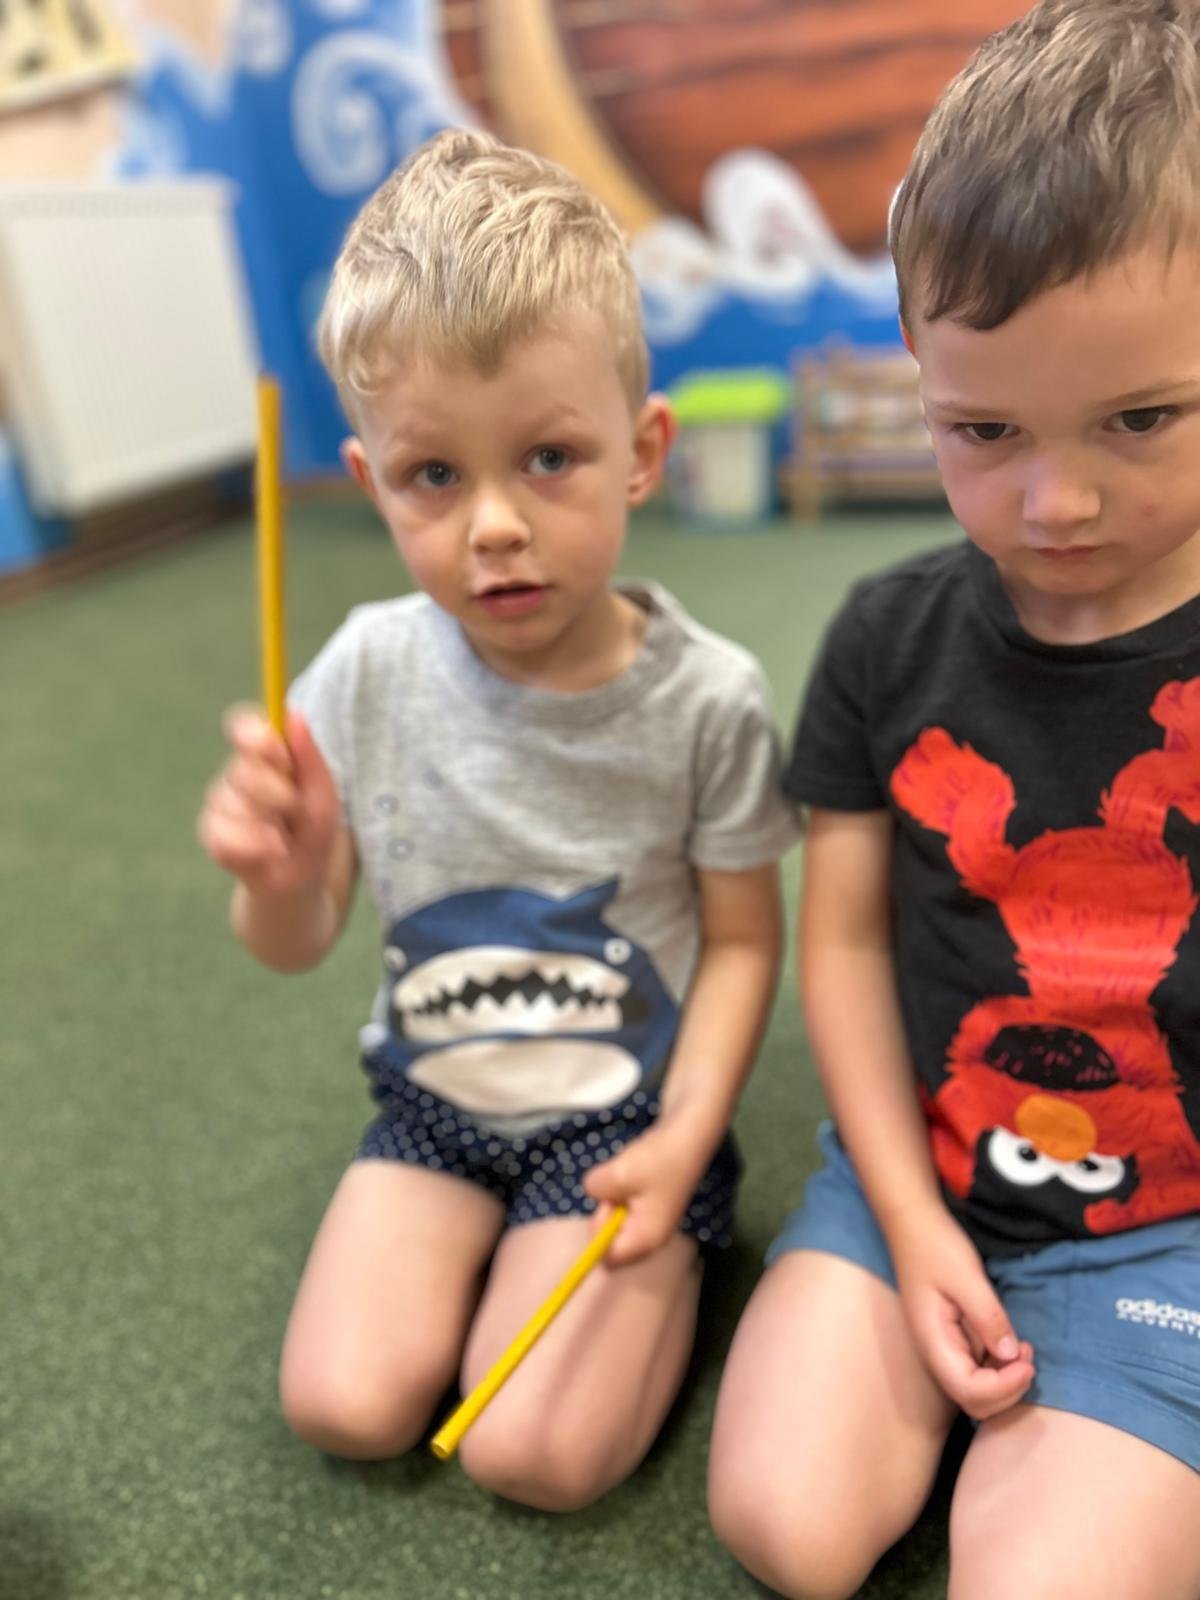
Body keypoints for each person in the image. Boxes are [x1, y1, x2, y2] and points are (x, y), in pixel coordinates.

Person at [197, 128, 799, 1511]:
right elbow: (293, 942)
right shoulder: (361, 671)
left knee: (534, 1453)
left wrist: (686, 1137)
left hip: (624, 1121)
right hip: (433, 1105)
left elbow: (744, 944)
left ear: (643, 453)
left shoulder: (708, 698)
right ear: (370, 485)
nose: (494, 527)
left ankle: (675, 1255)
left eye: (548, 458)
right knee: (345, 1405)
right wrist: (280, 875)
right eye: (435, 477)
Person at [708, 2, 1200, 1594]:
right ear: (917, 376)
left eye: (1142, 419)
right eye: (982, 432)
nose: (1056, 501)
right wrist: (913, 1225)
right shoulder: (883, 639)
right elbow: (848, 945)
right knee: (788, 1527)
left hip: (1171, 1231)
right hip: (918, 1172)